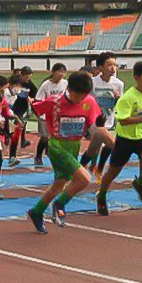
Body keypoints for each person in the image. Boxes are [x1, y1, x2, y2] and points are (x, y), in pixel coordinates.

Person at [27, 72, 103, 234]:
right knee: (84, 179)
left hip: (74, 145)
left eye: (83, 95)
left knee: (59, 184)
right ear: (68, 88)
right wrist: (47, 124)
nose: (80, 99)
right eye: (77, 95)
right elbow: (36, 107)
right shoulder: (54, 101)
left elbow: (95, 123)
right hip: (57, 146)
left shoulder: (89, 102)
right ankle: (59, 204)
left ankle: (37, 211)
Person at [96, 60, 142, 215]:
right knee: (112, 172)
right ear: (137, 77)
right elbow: (123, 121)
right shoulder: (128, 98)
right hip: (125, 140)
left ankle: (139, 182)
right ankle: (102, 194)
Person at [82, 53, 124, 179]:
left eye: (115, 65)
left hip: (109, 120)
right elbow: (85, 101)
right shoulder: (92, 82)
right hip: (94, 122)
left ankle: (81, 167)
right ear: (100, 67)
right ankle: (99, 169)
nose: (113, 68)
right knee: (111, 143)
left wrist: (118, 99)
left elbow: (120, 105)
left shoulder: (119, 84)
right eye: (109, 65)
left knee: (93, 149)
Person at [34, 64, 68, 166]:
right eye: (59, 71)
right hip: (45, 115)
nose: (61, 74)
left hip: (58, 114)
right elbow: (38, 99)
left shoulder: (65, 83)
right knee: (45, 137)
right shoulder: (46, 85)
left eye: (63, 72)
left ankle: (50, 153)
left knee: (56, 137)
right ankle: (38, 156)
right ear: (53, 72)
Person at [7, 66, 37, 167]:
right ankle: (11, 155)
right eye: (27, 75)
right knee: (14, 132)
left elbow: (35, 95)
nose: (28, 77)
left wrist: (31, 101)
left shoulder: (30, 84)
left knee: (18, 130)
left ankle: (14, 153)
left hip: (22, 110)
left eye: (30, 75)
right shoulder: (15, 83)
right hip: (13, 110)